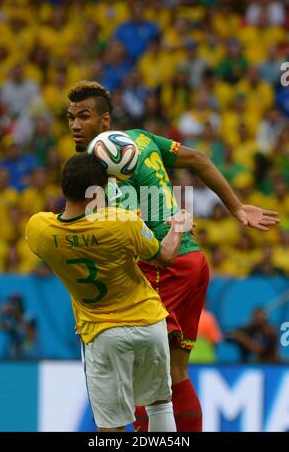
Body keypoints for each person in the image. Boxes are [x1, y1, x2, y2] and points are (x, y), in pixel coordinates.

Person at [66, 80, 280, 432]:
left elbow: (113, 241)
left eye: (84, 117)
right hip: (191, 259)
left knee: (138, 370)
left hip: (165, 264)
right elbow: (198, 159)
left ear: (105, 121)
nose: (75, 125)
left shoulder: (94, 169)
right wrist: (235, 206)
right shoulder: (142, 138)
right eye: (71, 117)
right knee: (173, 372)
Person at [26, 152, 193, 432]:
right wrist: (177, 227)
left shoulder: (39, 229)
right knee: (160, 403)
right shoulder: (123, 222)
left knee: (111, 426)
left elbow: (71, 226)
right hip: (148, 324)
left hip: (102, 334)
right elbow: (164, 257)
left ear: (63, 187)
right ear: (98, 192)